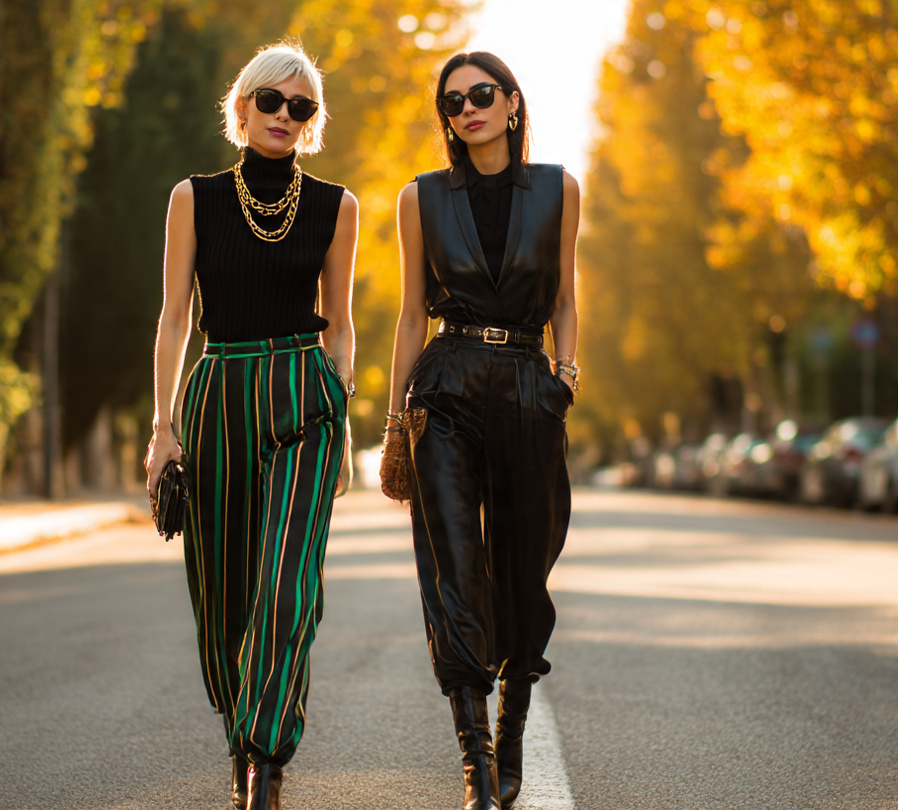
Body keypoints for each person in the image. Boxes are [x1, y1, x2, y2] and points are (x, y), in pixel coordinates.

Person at [145, 41, 356, 810]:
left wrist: (342, 388)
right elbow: (174, 320)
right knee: (227, 586)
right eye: (271, 101)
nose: (284, 116)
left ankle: (265, 763)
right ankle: (242, 734)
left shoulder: (338, 206)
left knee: (287, 585)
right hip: (221, 389)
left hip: (304, 390)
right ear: (241, 108)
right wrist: (162, 428)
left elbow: (344, 323)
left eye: (301, 107)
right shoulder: (192, 198)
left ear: (312, 121)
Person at [385, 51, 580, 810]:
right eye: (453, 102)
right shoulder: (421, 199)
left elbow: (565, 296)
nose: (467, 109)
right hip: (448, 387)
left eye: (481, 95)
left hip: (530, 387)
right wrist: (397, 417)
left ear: (512, 103)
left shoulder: (560, 189)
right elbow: (410, 314)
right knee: (455, 572)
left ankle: (516, 729)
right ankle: (477, 762)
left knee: (523, 570)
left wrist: (565, 377)